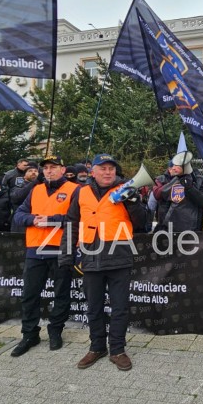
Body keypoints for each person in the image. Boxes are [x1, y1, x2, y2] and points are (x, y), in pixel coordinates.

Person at [65, 153, 147, 371]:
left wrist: (133, 202)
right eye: (103, 168)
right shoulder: (81, 192)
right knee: (94, 307)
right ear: (93, 171)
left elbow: (142, 223)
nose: (108, 172)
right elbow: (72, 223)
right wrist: (67, 254)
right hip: (90, 257)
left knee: (120, 307)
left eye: (111, 169)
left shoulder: (126, 191)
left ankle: (117, 349)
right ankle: (97, 347)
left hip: (119, 257)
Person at [10, 156, 79, 356]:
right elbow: (19, 215)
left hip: (61, 248)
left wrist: (50, 220)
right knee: (30, 294)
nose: (49, 171)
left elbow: (76, 218)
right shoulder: (36, 190)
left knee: (61, 293)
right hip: (35, 249)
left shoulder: (75, 190)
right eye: (46, 168)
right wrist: (32, 219)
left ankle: (56, 330)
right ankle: (30, 334)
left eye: (53, 167)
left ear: (63, 169)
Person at [152, 153, 203, 232]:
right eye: (173, 165)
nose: (174, 168)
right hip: (171, 226)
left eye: (177, 165)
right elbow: (161, 194)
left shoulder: (201, 181)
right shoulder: (175, 180)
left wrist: (190, 188)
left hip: (191, 228)